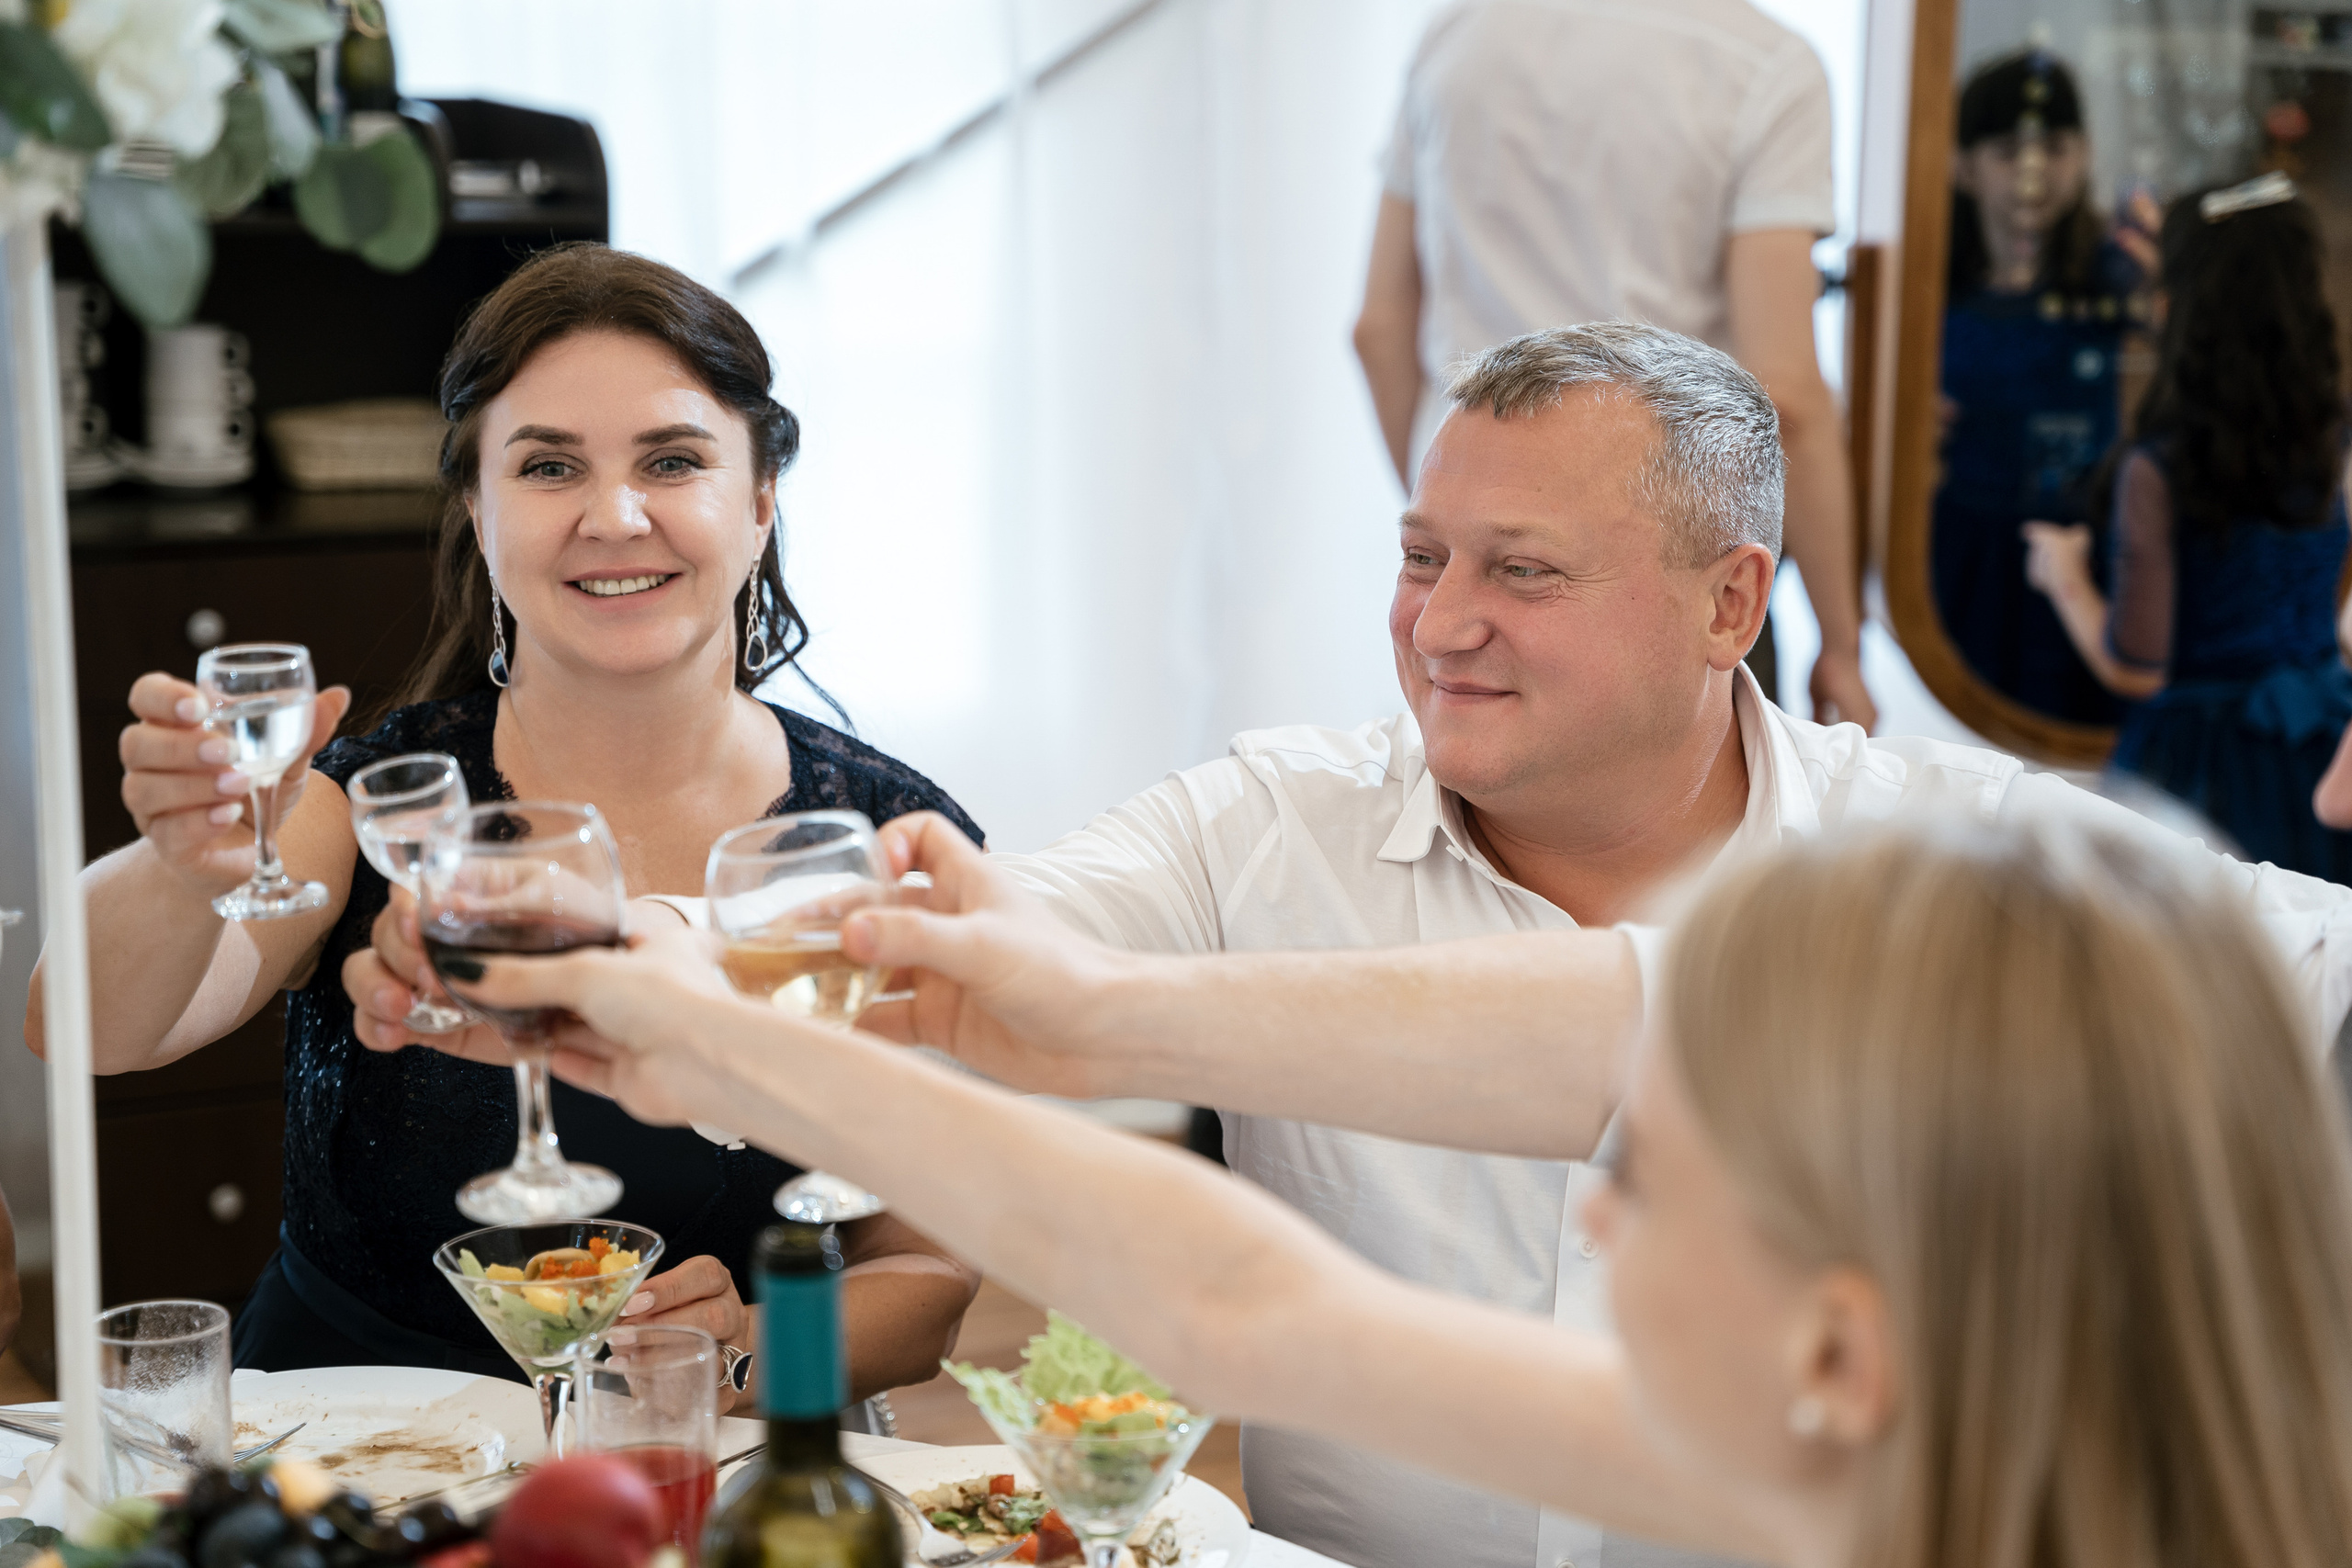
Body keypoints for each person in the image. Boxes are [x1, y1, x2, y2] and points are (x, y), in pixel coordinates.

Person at [971, 321, 2352, 1568]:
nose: (1441, 623)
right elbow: (992, 943)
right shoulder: (1261, 825)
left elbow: (2314, 965)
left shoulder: (1957, 869)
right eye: (1420, 556)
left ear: (1731, 605)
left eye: (1524, 569)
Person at [450, 807, 2352, 1568]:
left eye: (1649, 1174)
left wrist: (715, 1038)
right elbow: (1243, 1307)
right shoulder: (1930, 1448)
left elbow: (1245, 1310)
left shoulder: (1822, 1466)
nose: (1591, 1217)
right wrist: (725, 1035)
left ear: (1844, 1338)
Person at [24, 244, 981, 1400]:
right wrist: (182, 863)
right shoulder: (378, 799)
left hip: (698, 1459)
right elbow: (88, 1031)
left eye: (672, 461)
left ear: (762, 497)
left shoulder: (885, 837)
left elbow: (925, 1263)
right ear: (476, 507)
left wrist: (742, 1355)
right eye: (548, 468)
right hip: (354, 1446)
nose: (615, 516)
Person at [1353, 0, 1875, 729]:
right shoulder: (1764, 65)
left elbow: (1378, 329)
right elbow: (1783, 388)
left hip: (1474, 563)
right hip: (1660, 572)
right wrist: (1842, 644)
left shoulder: (1457, 35)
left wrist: (1446, 537)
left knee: (1455, 825)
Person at [2025, 176, 2352, 879]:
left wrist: (2066, 575)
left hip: (2202, 770)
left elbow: (2137, 668)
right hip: (2323, 737)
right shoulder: (2331, 448)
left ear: (2175, 306)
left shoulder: (2160, 471)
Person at [1934, 50, 2150, 726]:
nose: (2034, 172)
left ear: (2083, 155)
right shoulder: (1934, 290)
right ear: (1964, 166)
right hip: (1969, 553)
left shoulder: (2115, 284)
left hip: (2086, 554)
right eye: (2007, 151)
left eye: (2053, 148)